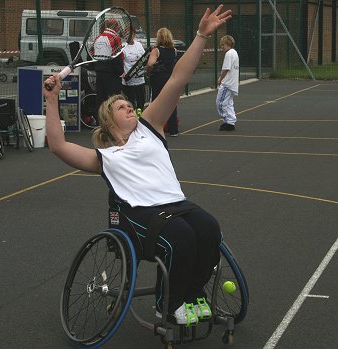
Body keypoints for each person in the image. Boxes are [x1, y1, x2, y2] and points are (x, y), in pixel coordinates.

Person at [43, 5, 232, 326]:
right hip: (141, 213)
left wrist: (201, 35)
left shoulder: (150, 127)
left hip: (176, 204)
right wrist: (51, 101)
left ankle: (191, 293)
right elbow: (59, 146)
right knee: (182, 238)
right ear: (108, 119)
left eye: (130, 104)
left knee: (210, 228)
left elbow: (177, 79)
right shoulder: (107, 157)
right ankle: (167, 304)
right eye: (121, 106)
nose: (129, 108)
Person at [146, 27, 179, 137]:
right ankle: (173, 128)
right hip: (170, 78)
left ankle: (155, 127)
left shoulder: (156, 50)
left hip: (158, 78)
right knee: (171, 103)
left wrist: (148, 70)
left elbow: (150, 64)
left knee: (156, 101)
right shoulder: (174, 50)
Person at [93, 18, 124, 123]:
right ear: (115, 26)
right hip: (112, 75)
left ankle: (100, 122)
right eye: (118, 26)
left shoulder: (98, 38)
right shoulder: (115, 38)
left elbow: (92, 54)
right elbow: (118, 56)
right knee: (113, 100)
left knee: (100, 98)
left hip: (99, 73)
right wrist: (120, 71)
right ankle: (113, 121)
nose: (119, 28)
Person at [216, 35, 239, 131]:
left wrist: (220, 79)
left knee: (220, 103)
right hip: (232, 83)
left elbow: (225, 69)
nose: (221, 47)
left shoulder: (229, 54)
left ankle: (226, 120)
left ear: (227, 44)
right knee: (229, 103)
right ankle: (231, 122)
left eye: (222, 45)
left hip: (227, 83)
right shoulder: (234, 53)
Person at [122, 28, 146, 111]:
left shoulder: (139, 45)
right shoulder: (123, 47)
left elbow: (145, 58)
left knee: (141, 104)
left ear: (134, 34)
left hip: (140, 80)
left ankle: (140, 121)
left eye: (131, 34)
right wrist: (123, 73)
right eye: (127, 34)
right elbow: (120, 63)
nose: (129, 36)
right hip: (128, 82)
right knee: (130, 105)